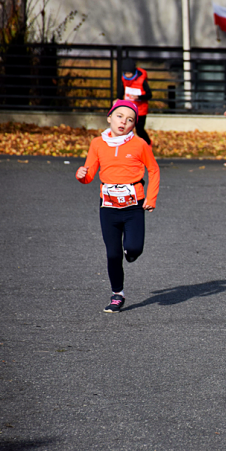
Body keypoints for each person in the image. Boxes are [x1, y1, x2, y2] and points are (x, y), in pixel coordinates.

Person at [75, 100, 160, 313]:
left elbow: (154, 170)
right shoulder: (97, 144)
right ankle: (117, 294)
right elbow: (89, 174)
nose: (124, 121)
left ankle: (131, 252)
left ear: (134, 125)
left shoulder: (140, 144)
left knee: (134, 249)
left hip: (133, 206)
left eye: (130, 120)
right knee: (113, 254)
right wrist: (81, 175)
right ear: (109, 117)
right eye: (120, 116)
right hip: (108, 206)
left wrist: (151, 198)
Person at [117, 58, 153, 145]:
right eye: (126, 73)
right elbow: (123, 90)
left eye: (129, 73)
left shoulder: (142, 80)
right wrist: (118, 99)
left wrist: (139, 97)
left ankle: (148, 144)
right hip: (129, 109)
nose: (128, 75)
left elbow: (149, 95)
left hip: (141, 110)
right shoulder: (124, 79)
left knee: (139, 130)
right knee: (127, 129)